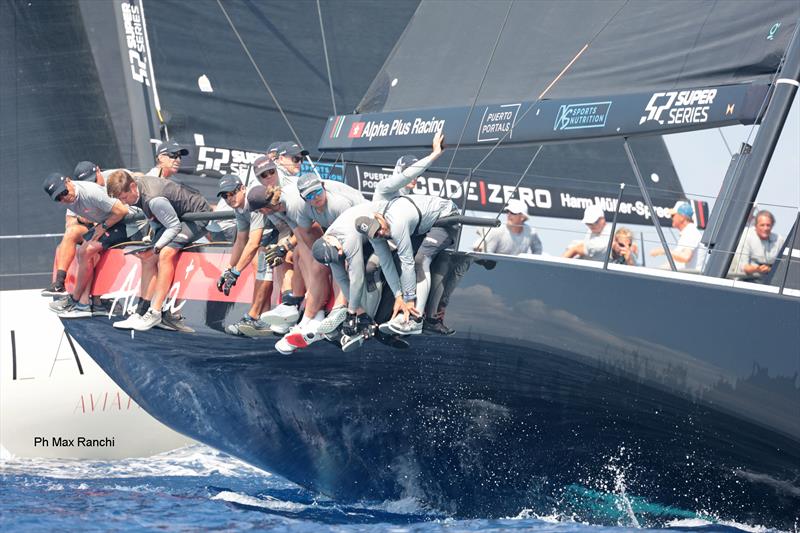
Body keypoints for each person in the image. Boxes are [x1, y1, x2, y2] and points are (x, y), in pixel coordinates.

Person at [107, 170, 210, 331]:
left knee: (165, 253)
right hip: (177, 216)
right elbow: (156, 221)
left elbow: (174, 226)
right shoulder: (138, 189)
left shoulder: (154, 199)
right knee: (147, 257)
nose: (124, 202)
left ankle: (155, 313)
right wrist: (152, 244)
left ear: (133, 187)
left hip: (197, 216)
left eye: (124, 197)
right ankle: (141, 312)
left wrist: (157, 246)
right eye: (120, 199)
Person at [247, 185, 337, 354]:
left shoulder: (292, 204)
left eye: (259, 212)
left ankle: (313, 317)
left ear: (264, 208)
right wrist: (288, 248)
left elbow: (314, 229)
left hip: (338, 228)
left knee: (315, 265)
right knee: (297, 256)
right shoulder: (279, 208)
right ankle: (303, 309)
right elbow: (301, 238)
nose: (260, 215)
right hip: (317, 231)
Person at [357, 194, 459, 335]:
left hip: (446, 217)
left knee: (420, 260)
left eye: (379, 228)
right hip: (422, 224)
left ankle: (416, 319)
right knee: (397, 262)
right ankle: (400, 315)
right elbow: (386, 265)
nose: (380, 233)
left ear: (379, 218)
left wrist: (409, 299)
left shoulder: (397, 223)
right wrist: (399, 296)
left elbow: (408, 262)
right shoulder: (376, 234)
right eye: (375, 234)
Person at [41, 173, 131, 315]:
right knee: (87, 255)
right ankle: (84, 302)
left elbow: (122, 211)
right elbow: (70, 226)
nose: (64, 198)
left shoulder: (90, 192)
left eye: (64, 192)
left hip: (123, 224)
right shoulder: (70, 199)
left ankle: (75, 300)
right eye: (59, 198)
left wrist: (104, 226)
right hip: (107, 224)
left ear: (68, 181)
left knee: (84, 252)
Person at [310, 202, 388, 350]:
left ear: (329, 241)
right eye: (335, 255)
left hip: (384, 227)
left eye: (337, 252)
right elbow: (341, 279)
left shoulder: (347, 240)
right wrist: (359, 311)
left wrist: (353, 312)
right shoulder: (329, 249)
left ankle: (375, 321)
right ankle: (367, 318)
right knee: (353, 287)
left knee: (370, 269)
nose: (339, 254)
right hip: (367, 239)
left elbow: (356, 278)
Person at [373, 131, 445, 206]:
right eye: (414, 173)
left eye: (418, 175)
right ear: (399, 170)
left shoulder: (409, 198)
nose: (415, 178)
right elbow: (407, 175)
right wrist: (434, 154)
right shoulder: (383, 187)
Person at [474, 199, 542, 255]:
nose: (509, 215)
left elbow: (538, 251)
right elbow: (487, 256)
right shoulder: (496, 231)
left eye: (513, 213)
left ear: (522, 217)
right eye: (508, 212)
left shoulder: (531, 232)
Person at [650, 200, 705, 271]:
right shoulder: (688, 232)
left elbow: (686, 257)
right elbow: (677, 263)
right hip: (684, 277)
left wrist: (663, 250)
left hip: (688, 278)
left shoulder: (691, 232)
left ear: (682, 217)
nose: (671, 217)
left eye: (673, 215)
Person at [736, 210, 784, 282]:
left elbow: (783, 266)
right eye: (762, 225)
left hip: (771, 280)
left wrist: (770, 269)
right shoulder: (746, 236)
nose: (765, 228)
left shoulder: (779, 240)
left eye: (768, 225)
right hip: (747, 279)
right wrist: (758, 269)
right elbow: (743, 267)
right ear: (756, 225)